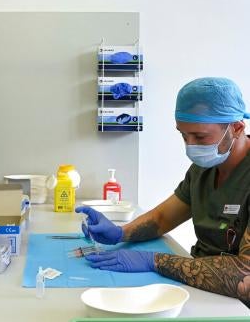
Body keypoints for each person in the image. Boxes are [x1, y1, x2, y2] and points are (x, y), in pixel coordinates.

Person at [77, 77, 250, 306]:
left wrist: (154, 261)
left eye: (200, 137)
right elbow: (162, 218)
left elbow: (243, 273)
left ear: (236, 128)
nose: (190, 146)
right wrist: (121, 233)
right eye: (183, 135)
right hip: (202, 290)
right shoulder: (203, 170)